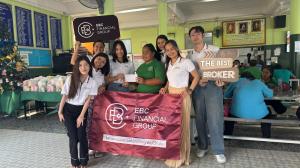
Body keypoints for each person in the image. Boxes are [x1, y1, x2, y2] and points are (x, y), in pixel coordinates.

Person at [187, 26, 226, 164]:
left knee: (215, 118)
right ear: (190, 38)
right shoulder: (190, 55)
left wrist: (222, 81)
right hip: (198, 88)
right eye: (192, 34)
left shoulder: (215, 50)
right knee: (200, 118)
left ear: (203, 35)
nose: (195, 36)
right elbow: (190, 75)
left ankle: (219, 150)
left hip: (213, 87)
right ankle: (202, 146)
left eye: (198, 33)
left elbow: (225, 68)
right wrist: (196, 82)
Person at [160, 40, 200, 168]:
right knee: (172, 127)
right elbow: (170, 79)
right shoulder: (169, 64)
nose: (170, 52)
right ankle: (173, 153)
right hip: (170, 97)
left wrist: (190, 90)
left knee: (182, 126)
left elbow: (197, 76)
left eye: (172, 48)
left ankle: (182, 156)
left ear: (177, 48)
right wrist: (165, 88)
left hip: (182, 96)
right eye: (167, 50)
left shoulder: (185, 62)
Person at [58, 56, 98, 168]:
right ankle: (74, 162)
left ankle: (84, 161)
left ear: (90, 66)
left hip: (82, 110)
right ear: (77, 67)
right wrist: (60, 112)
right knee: (73, 137)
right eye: (80, 65)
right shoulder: (71, 79)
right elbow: (65, 96)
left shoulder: (92, 82)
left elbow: (88, 101)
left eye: (86, 65)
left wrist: (81, 116)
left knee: (82, 136)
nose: (83, 67)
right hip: (68, 110)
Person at [224, 72, 273, 138]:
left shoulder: (236, 81)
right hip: (258, 114)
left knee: (229, 114)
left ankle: (227, 135)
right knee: (268, 112)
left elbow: (226, 94)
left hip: (237, 113)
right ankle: (266, 136)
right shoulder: (259, 83)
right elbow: (270, 95)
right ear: (253, 78)